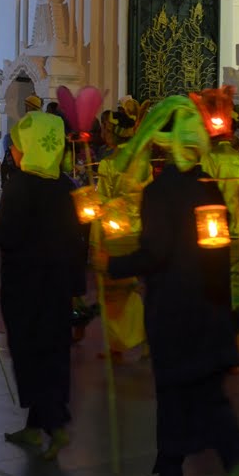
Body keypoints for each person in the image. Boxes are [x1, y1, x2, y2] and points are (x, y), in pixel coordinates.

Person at [104, 96, 239, 476]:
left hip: (174, 311)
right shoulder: (210, 190)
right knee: (207, 392)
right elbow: (217, 250)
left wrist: (115, 264)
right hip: (210, 306)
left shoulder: (159, 193)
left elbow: (156, 252)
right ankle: (229, 456)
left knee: (172, 393)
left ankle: (171, 473)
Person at [0, 111, 84, 460]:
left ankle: (54, 424)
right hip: (59, 284)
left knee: (28, 354)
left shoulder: (21, 185)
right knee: (53, 352)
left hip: (26, 285)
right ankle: (36, 427)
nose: (14, 152)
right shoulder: (65, 185)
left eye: (17, 145)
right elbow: (79, 239)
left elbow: (8, 234)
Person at [192, 86, 239, 363]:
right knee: (236, 294)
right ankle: (236, 351)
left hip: (211, 237)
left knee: (212, 291)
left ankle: (215, 349)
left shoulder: (206, 159)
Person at [92, 99, 149, 362]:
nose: (103, 135)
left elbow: (102, 201)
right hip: (138, 230)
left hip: (115, 233)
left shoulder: (110, 164)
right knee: (132, 288)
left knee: (113, 289)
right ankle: (138, 339)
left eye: (105, 130)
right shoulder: (142, 162)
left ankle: (119, 344)